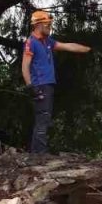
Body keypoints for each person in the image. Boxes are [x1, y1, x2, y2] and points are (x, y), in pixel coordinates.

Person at [21, 9, 92, 155]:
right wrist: (30, 87)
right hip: (39, 86)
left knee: (44, 119)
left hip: (48, 85)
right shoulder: (31, 42)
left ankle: (37, 154)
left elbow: (67, 46)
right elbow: (24, 67)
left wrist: (88, 50)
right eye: (47, 25)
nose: (49, 27)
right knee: (43, 119)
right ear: (38, 25)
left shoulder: (48, 41)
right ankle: (40, 155)